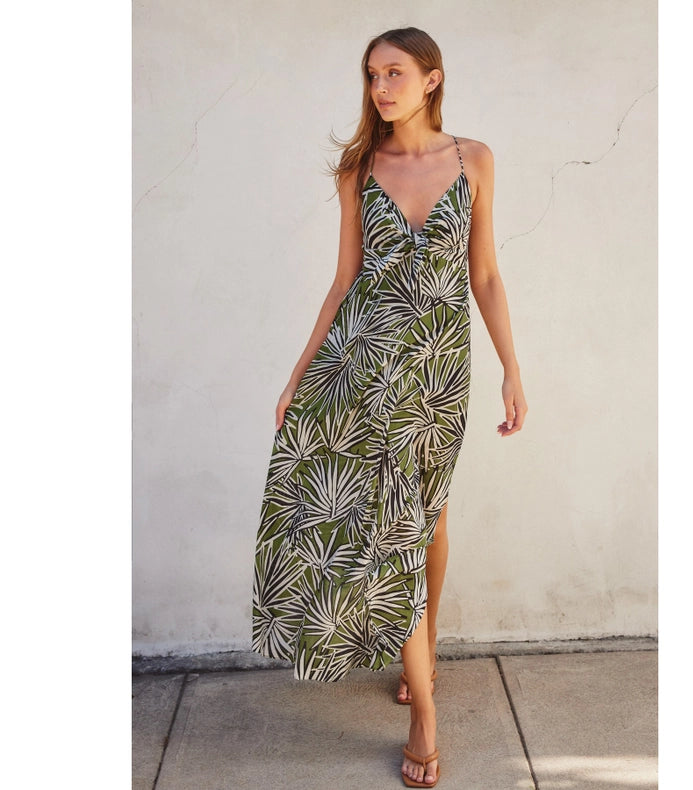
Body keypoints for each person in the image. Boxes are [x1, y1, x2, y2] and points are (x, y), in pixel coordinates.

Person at [252, 26, 527, 788]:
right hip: (365, 373)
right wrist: (298, 375)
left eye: (395, 72)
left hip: (439, 374)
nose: (380, 87)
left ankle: (423, 650)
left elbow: (485, 275)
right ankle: (425, 715)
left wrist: (512, 367)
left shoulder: (474, 161)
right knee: (398, 528)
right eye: (372, 75)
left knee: (431, 519)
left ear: (432, 79)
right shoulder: (360, 168)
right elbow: (343, 281)